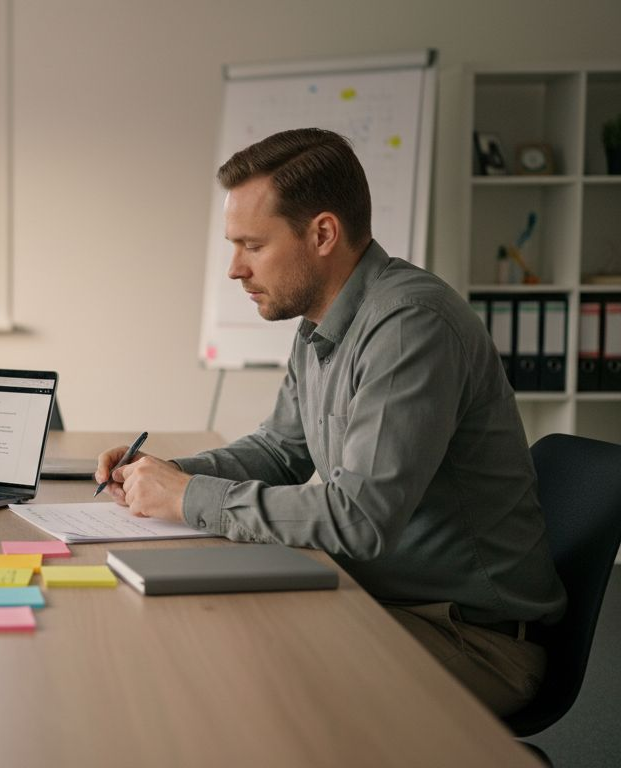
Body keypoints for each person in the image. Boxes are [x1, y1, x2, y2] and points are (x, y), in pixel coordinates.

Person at [96, 128, 565, 717]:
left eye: (252, 245)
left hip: (469, 639)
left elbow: (360, 519)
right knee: (199, 640)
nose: (234, 269)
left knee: (229, 679)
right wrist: (162, 475)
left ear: (322, 233)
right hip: (381, 599)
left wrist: (190, 495)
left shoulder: (408, 326)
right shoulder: (321, 322)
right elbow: (280, 449)